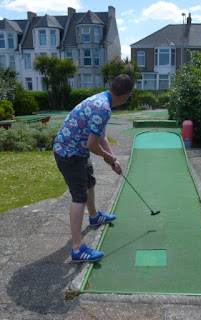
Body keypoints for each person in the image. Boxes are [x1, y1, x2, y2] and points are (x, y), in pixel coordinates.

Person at [53, 74, 134, 263]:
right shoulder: (103, 108)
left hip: (77, 150)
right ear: (126, 95)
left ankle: (94, 216)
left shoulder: (103, 99)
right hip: (69, 154)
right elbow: (92, 144)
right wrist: (107, 157)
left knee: (89, 182)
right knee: (79, 197)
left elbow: (101, 137)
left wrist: (113, 160)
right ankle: (77, 249)